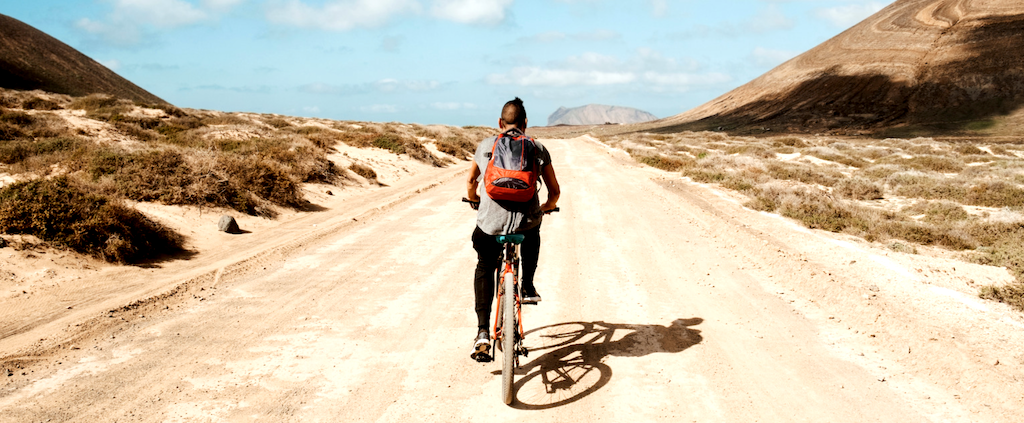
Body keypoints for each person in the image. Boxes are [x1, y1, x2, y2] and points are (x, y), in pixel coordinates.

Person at [465, 97, 560, 361]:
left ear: (500, 123)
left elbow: (471, 180)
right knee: (533, 230)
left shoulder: (486, 145)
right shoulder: (538, 147)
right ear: (525, 123)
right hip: (525, 222)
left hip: (489, 224)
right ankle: (527, 285)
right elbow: (555, 192)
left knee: (485, 265)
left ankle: (483, 333)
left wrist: (474, 199)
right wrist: (546, 207)